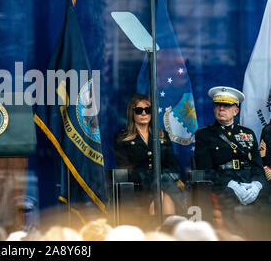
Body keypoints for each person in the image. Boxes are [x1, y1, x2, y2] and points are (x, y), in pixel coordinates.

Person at [194, 86, 269, 239]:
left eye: (227, 105)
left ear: (235, 110)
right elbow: (206, 169)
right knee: (228, 201)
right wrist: (232, 185)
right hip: (223, 184)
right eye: (218, 105)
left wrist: (257, 185)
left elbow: (258, 167)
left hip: (249, 181)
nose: (221, 108)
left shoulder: (247, 134)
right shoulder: (204, 135)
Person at [114, 93, 185, 216]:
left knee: (163, 193)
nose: (143, 114)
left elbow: (172, 165)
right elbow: (125, 168)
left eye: (147, 110)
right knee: (161, 195)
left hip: (163, 183)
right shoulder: (122, 138)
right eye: (139, 110)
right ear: (132, 113)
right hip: (139, 185)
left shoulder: (162, 135)